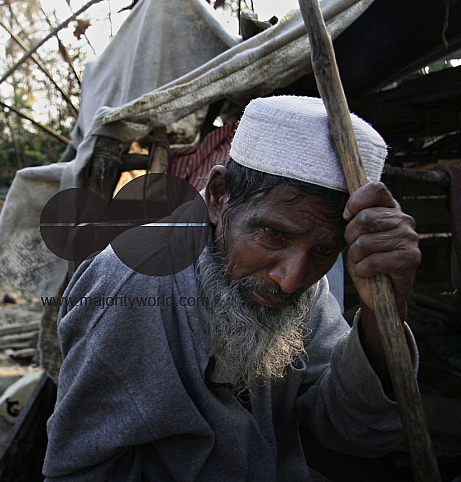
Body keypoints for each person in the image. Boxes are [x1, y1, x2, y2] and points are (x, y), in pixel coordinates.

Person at [42, 96, 421, 480]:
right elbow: (77, 470)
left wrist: (383, 311)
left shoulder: (306, 283)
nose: (291, 279)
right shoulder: (129, 285)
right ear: (219, 197)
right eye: (273, 235)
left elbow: (355, 431)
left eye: (325, 250)